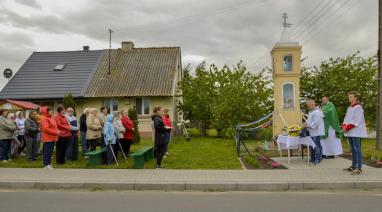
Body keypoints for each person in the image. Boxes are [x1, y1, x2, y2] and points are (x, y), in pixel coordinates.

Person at [342, 91, 367, 175]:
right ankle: (353, 165)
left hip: (356, 131)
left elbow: (357, 120)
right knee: (353, 149)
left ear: (356, 98)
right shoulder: (349, 108)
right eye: (349, 97)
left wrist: (347, 128)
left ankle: (359, 168)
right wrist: (344, 126)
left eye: (351, 97)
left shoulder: (358, 107)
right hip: (350, 131)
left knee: (357, 149)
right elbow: (346, 119)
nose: (349, 98)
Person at [305, 99, 325, 165]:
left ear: (313, 104)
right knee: (312, 145)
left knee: (317, 145)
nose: (308, 106)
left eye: (309, 105)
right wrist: (305, 124)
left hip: (316, 131)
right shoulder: (311, 112)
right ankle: (313, 158)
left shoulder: (317, 112)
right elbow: (309, 120)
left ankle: (318, 159)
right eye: (307, 105)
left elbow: (316, 122)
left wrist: (308, 125)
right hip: (312, 131)